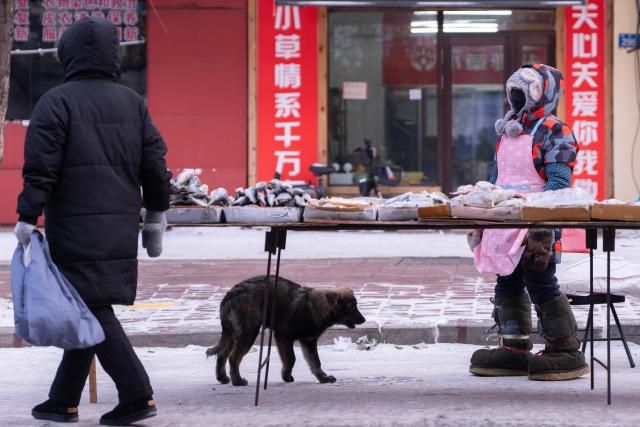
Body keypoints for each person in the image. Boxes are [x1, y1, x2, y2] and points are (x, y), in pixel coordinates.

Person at [13, 17, 171, 425]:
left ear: (67, 54)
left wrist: (28, 215)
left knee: (90, 305)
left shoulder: (56, 101)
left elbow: (40, 169)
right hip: (119, 227)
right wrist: (155, 215)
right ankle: (62, 400)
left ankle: (137, 395)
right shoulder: (133, 102)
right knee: (86, 303)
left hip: (75, 226)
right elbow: (156, 166)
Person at [468, 64, 589, 381]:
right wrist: (484, 202)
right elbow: (498, 177)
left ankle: (565, 349)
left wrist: (540, 218)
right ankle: (514, 348)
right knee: (506, 279)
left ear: (544, 94)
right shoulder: (507, 131)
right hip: (504, 220)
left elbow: (559, 181)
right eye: (514, 94)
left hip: (538, 221)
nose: (517, 100)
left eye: (524, 94)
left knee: (540, 281)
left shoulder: (555, 131)